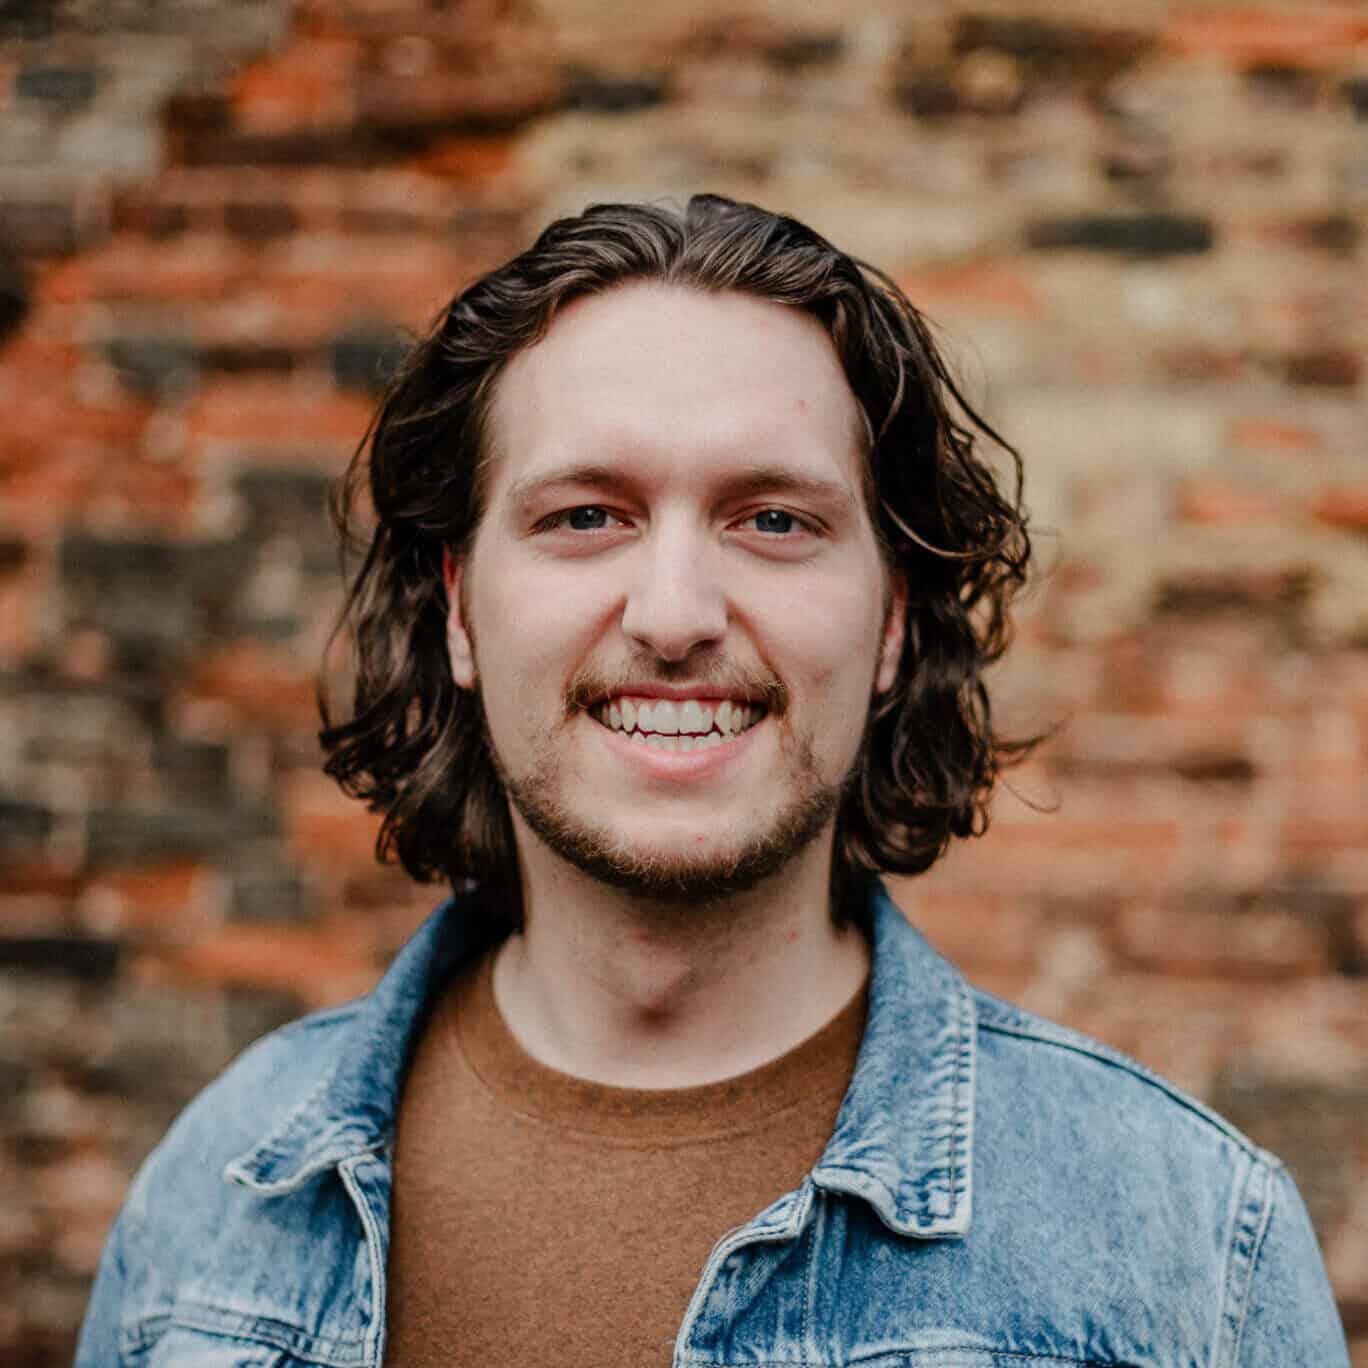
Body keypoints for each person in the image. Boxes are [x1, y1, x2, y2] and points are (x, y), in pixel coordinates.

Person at [77, 195, 1348, 1367]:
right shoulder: (212, 1202)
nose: (676, 614)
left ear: (891, 621)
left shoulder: (1193, 1251)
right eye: (586, 516)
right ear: (460, 608)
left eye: (773, 520)